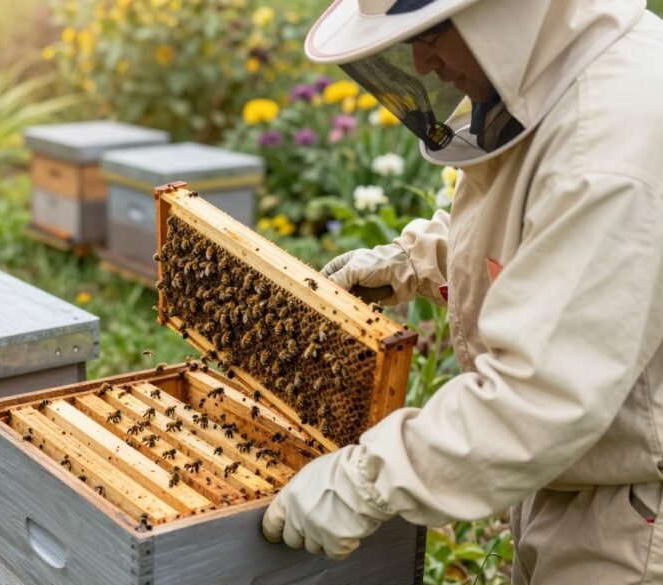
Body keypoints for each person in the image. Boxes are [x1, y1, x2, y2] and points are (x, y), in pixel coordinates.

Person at [260, 0, 663, 582]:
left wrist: (367, 481)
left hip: (638, 514)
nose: (422, 64)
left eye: (431, 34)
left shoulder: (609, 147)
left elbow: (540, 396)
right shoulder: (572, 73)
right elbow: (553, 238)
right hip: (590, 471)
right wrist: (415, 260)